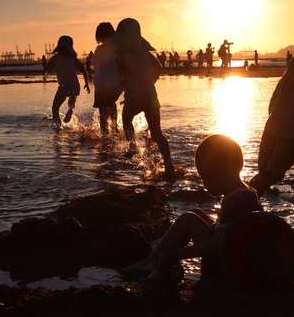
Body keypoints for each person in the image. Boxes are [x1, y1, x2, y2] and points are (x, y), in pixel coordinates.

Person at [121, 135, 263, 283]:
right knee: (196, 213)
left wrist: (176, 254)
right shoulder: (246, 192)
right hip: (237, 254)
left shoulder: (236, 199)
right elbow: (227, 232)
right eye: (202, 177)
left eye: (208, 177)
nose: (204, 183)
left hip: (229, 264)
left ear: (229, 170)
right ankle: (151, 262)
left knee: (189, 219)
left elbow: (215, 245)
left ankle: (150, 264)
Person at [113, 18, 174, 177]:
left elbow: (121, 77)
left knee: (127, 120)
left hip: (134, 97)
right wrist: (150, 82)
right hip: (150, 96)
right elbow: (158, 68)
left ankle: (132, 147)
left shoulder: (123, 56)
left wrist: (123, 88)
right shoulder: (147, 55)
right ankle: (168, 163)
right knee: (157, 133)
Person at [250, 59, 294, 195]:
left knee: (265, 174)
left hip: (274, 128)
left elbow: (271, 105)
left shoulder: (285, 81)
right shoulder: (286, 82)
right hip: (285, 133)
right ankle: (246, 198)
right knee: (267, 175)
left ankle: (246, 197)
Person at [46, 35, 90, 129]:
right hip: (75, 86)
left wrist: (50, 68)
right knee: (71, 101)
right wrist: (86, 84)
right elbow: (83, 70)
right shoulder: (73, 59)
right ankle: (70, 110)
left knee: (55, 108)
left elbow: (48, 69)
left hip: (64, 87)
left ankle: (58, 127)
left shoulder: (55, 58)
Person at [91, 22, 122, 135]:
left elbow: (94, 65)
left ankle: (105, 134)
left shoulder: (99, 49)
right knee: (112, 105)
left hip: (101, 85)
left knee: (103, 111)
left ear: (99, 36)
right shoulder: (117, 49)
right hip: (114, 85)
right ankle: (115, 129)